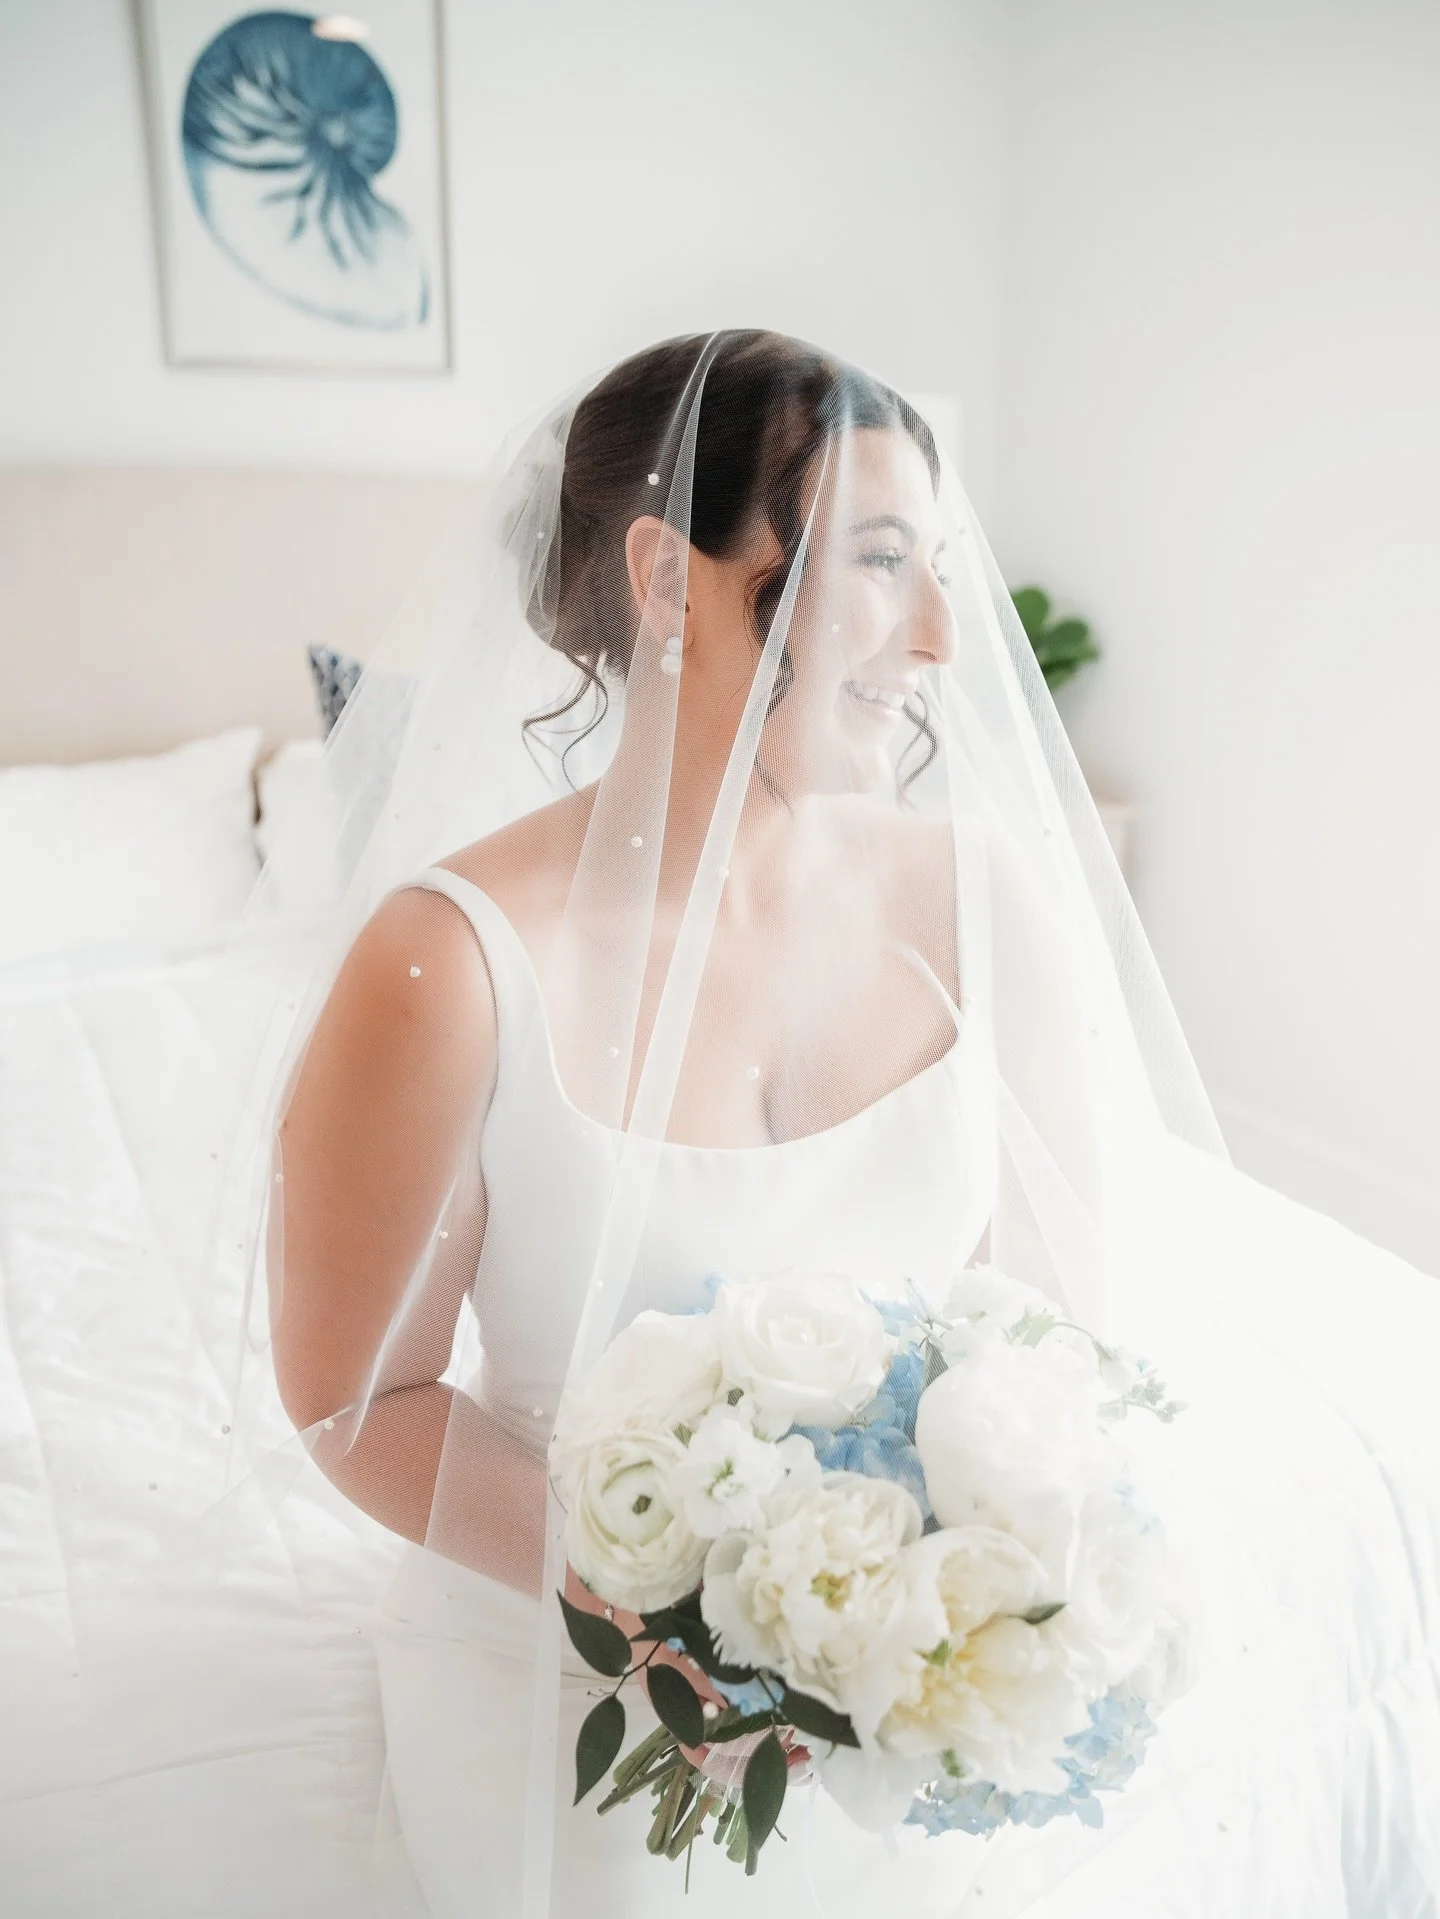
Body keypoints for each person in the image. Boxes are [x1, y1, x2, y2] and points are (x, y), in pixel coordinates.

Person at [254, 332, 1437, 1917]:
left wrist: (941, 1609)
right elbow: (353, 1398)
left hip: (896, 1662)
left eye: (937, 569)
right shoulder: (447, 963)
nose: (945, 637)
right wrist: (677, 1605)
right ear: (668, 579)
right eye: (882, 564)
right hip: (569, 1655)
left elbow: (1053, 1327)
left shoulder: (978, 901)